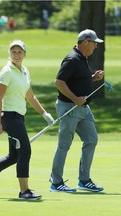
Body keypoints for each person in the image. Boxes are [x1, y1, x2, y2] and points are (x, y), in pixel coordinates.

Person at [0, 40, 54, 200]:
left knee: (14, 156)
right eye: (13, 52)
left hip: (19, 117)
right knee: (25, 150)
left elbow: (30, 96)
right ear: (9, 53)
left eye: (20, 52)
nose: (16, 55)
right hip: (9, 117)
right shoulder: (6, 71)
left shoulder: (24, 71)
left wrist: (44, 114)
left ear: (24, 54)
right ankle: (24, 191)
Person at [49, 29, 104, 193]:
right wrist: (74, 98)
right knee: (64, 145)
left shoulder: (82, 58)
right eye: (94, 43)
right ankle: (56, 182)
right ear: (85, 42)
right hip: (70, 108)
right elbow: (59, 82)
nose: (95, 46)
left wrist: (93, 77)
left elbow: (77, 79)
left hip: (83, 108)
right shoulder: (72, 59)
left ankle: (84, 179)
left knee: (91, 140)